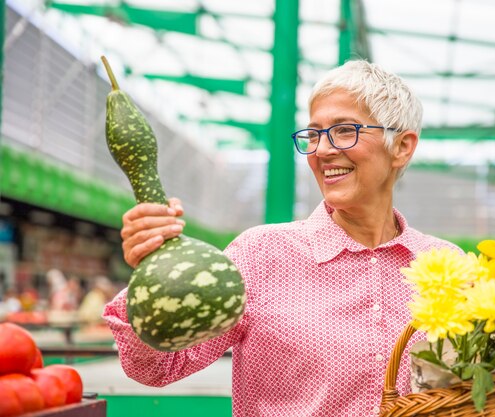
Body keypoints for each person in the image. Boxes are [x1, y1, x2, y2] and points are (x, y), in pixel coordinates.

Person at [103, 60, 458, 417]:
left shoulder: (451, 269)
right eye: (314, 134)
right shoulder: (259, 256)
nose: (321, 150)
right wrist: (152, 272)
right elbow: (158, 368)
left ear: (402, 146)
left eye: (344, 131)